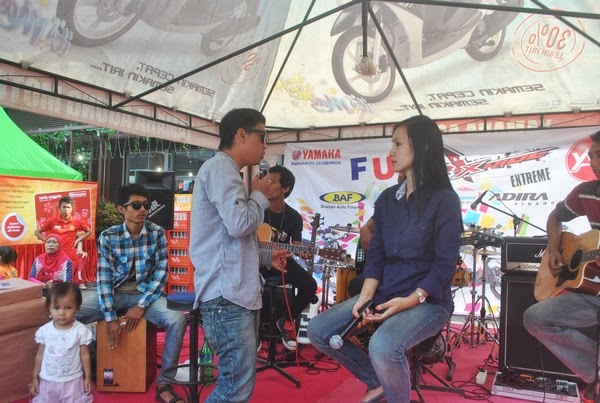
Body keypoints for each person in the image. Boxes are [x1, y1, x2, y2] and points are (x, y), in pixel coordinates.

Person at [307, 115, 462, 403]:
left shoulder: (445, 200)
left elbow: (444, 266)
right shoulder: (388, 199)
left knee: (383, 345)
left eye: (398, 144)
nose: (391, 152)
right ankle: (376, 381)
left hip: (428, 302)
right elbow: (376, 254)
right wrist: (366, 297)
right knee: (318, 330)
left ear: (423, 147)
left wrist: (411, 300)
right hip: (384, 292)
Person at [189, 108, 288, 402]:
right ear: (241, 135)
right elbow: (240, 224)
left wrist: (266, 257)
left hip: (232, 294)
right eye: (263, 136)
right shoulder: (220, 169)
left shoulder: (227, 171)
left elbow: (231, 239)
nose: (266, 144)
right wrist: (260, 196)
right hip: (227, 296)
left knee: (237, 385)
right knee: (235, 387)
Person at [76, 184, 186, 403]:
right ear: (121, 209)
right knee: (67, 315)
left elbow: (161, 274)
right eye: (136, 205)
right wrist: (110, 318)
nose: (142, 209)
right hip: (114, 293)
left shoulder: (157, 233)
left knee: (177, 320)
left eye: (145, 205)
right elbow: (104, 280)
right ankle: (84, 368)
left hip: (146, 295)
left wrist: (141, 305)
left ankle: (164, 384)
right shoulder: (108, 236)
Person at [523, 130, 600, 403]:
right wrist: (554, 250)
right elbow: (556, 216)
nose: (593, 162)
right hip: (593, 292)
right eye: (591, 156)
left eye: (599, 155)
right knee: (536, 318)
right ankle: (596, 371)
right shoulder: (586, 191)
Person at [261, 164, 318, 351]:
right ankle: (254, 330)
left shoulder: (293, 217)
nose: (267, 184)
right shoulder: (257, 211)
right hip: (256, 261)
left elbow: (297, 245)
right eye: (267, 180)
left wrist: (303, 252)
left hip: (282, 260)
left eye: (272, 181)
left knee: (309, 285)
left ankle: (286, 320)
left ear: (285, 188)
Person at [29, 282, 94, 402]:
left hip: (73, 381)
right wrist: (35, 377)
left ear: (77, 308)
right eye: (56, 308)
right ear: (49, 308)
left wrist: (88, 377)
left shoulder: (80, 331)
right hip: (48, 381)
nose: (62, 313)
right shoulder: (44, 331)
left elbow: (85, 355)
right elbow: (39, 355)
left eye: (68, 308)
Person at [34, 196, 92, 286]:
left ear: (72, 209)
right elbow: (37, 232)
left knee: (68, 281)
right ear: (59, 208)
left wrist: (78, 240)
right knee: (56, 281)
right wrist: (48, 241)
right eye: (64, 207)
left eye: (68, 207)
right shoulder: (52, 221)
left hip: (70, 256)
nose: (66, 209)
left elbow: (89, 231)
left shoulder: (77, 221)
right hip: (55, 257)